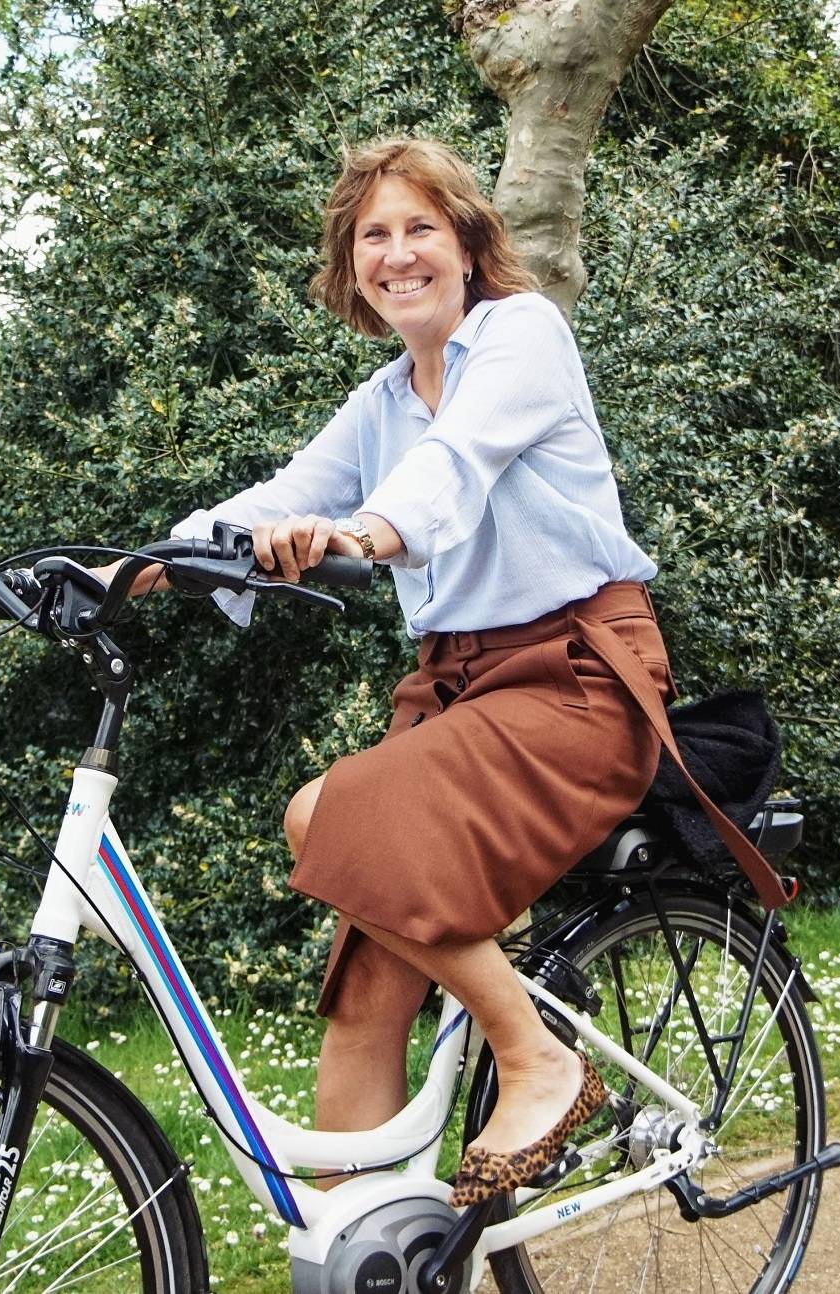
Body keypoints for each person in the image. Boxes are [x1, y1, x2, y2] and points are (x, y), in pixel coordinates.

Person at [114, 137, 673, 1206]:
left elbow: (450, 465)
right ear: (350, 264)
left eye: (421, 227)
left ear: (468, 245)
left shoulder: (522, 334)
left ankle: (539, 1058)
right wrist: (124, 570)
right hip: (455, 690)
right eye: (374, 234)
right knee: (367, 987)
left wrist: (364, 533)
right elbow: (280, 492)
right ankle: (351, 1253)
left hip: (575, 678)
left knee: (325, 812)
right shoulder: (379, 401)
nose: (397, 252)